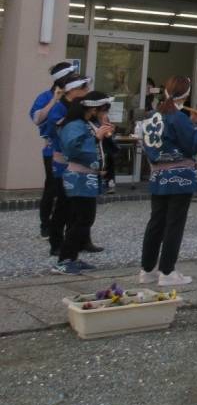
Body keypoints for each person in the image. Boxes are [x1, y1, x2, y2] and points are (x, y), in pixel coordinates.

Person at [138, 76, 197, 287]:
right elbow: (194, 144)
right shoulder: (177, 117)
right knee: (174, 224)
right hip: (179, 175)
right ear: (186, 95)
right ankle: (167, 271)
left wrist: (193, 125)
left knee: (156, 222)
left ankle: (147, 269)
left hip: (158, 174)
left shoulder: (154, 116)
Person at [53, 92, 115, 275]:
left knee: (80, 219)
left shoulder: (89, 124)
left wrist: (106, 135)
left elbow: (103, 148)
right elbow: (73, 149)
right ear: (94, 109)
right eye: (103, 110)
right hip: (78, 177)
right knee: (83, 219)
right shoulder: (74, 125)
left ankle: (71, 257)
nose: (104, 113)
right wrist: (96, 137)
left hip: (88, 177)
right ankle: (64, 259)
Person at [43, 74, 102, 258]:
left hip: (82, 163)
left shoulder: (81, 109)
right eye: (83, 89)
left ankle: (80, 242)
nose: (86, 92)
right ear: (73, 90)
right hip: (64, 162)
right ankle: (57, 243)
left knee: (81, 209)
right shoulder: (60, 107)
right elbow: (56, 131)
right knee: (63, 204)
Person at [30, 62, 76, 240]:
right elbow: (37, 118)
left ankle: (74, 231)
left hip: (73, 151)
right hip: (52, 150)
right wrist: (54, 101)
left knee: (71, 192)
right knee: (52, 188)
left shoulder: (75, 97)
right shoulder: (45, 96)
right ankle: (45, 224)